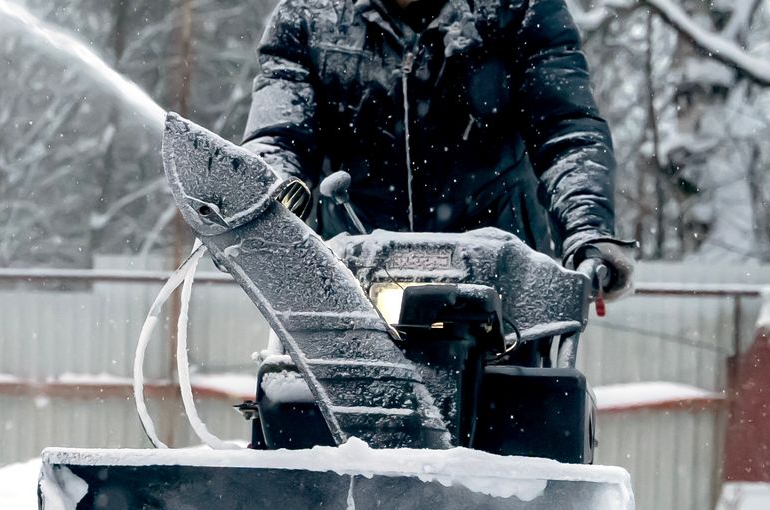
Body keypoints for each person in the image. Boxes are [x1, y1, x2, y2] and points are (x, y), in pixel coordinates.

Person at [240, 0, 637, 300]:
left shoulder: (518, 8)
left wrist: (588, 229)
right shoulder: (309, 15)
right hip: (351, 283)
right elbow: (278, 137)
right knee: (295, 402)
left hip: (500, 280)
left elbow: (566, 128)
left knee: (532, 400)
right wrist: (261, 210)